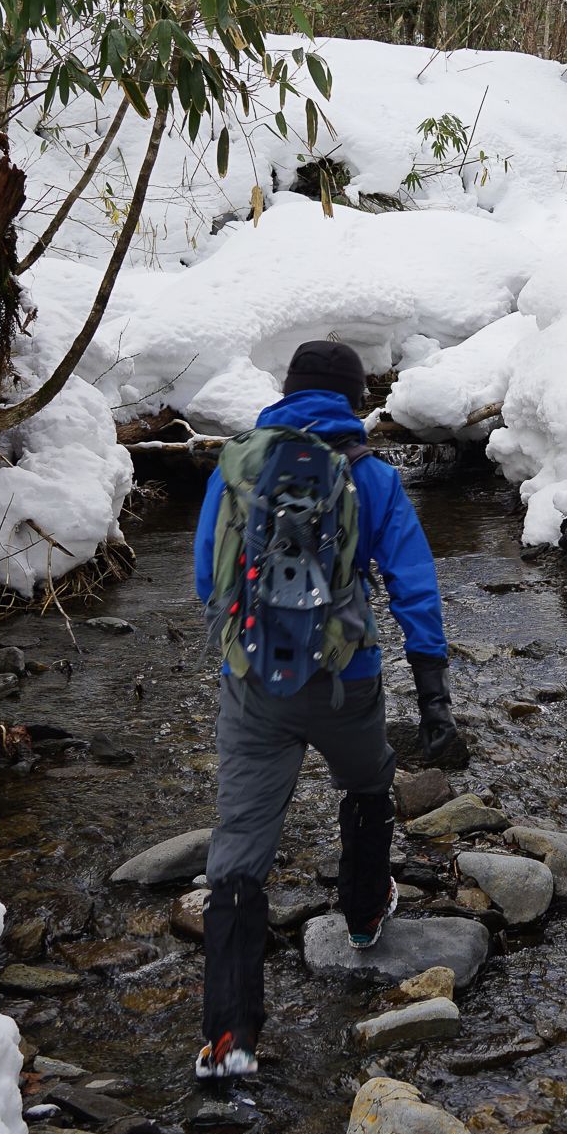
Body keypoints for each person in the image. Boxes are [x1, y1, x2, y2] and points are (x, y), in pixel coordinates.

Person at [189, 340, 466, 1079]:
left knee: (241, 842)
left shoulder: (239, 463)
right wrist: (433, 691)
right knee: (370, 779)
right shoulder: (369, 474)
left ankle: (229, 1039)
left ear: (286, 392)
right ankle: (366, 914)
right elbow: (413, 581)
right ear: (351, 399)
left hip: (252, 687)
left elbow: (201, 577)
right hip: (348, 681)